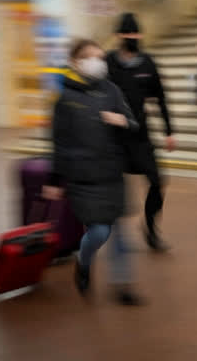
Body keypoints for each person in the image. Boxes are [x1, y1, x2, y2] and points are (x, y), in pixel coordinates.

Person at [43, 39, 142, 305]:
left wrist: (122, 121)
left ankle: (123, 287)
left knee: (120, 232)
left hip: (111, 171)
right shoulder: (64, 98)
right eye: (91, 57)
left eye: (100, 57)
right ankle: (83, 260)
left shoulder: (111, 90)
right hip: (83, 176)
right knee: (99, 231)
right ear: (76, 62)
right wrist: (54, 178)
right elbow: (58, 141)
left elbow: (133, 124)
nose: (98, 62)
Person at [105, 13, 173, 252]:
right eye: (128, 34)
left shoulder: (147, 62)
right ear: (118, 36)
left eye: (136, 33)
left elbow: (161, 97)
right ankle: (113, 238)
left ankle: (150, 229)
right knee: (116, 193)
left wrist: (169, 131)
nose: (132, 38)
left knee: (157, 182)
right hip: (114, 138)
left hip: (141, 136)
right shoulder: (108, 63)